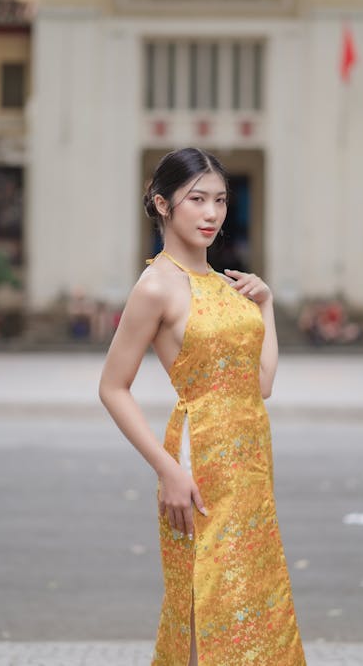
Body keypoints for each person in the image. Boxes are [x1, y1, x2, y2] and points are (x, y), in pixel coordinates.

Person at [98, 148, 306, 665]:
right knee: (202, 596)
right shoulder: (156, 286)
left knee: (253, 598)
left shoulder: (229, 288)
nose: (211, 213)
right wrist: (169, 470)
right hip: (199, 454)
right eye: (197, 200)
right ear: (163, 203)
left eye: (220, 201)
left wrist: (266, 306)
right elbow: (112, 386)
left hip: (251, 460)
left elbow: (260, 384)